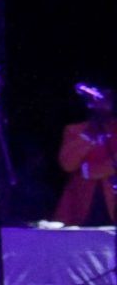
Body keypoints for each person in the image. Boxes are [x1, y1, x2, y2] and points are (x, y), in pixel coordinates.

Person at [52, 85, 117, 226]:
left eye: (107, 99)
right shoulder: (74, 130)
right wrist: (87, 138)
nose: (102, 104)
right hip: (81, 208)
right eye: (97, 100)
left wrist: (88, 171)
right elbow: (67, 165)